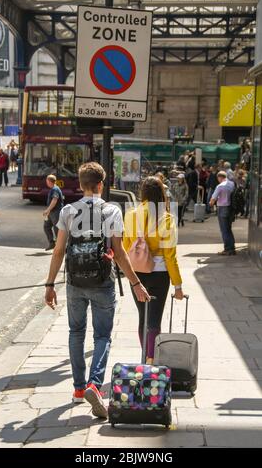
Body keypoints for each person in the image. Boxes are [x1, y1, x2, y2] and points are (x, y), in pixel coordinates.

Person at [44, 162, 150, 419]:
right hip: (103, 282)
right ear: (101, 184)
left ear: (80, 185)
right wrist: (136, 283)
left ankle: (79, 390)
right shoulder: (111, 210)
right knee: (102, 336)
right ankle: (94, 384)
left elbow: (58, 251)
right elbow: (121, 253)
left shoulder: (68, 211)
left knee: (76, 332)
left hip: (75, 283)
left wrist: (49, 284)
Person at [123, 176, 184, 364]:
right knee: (154, 319)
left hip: (137, 273)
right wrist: (178, 285)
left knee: (143, 316)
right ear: (162, 195)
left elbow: (125, 246)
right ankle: (151, 359)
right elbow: (170, 255)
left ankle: (145, 356)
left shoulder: (131, 215)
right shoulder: (166, 218)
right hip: (160, 274)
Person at [209, 171, 236, 255]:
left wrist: (210, 204)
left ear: (219, 177)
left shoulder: (220, 186)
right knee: (228, 229)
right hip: (230, 208)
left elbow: (213, 200)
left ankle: (227, 249)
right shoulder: (232, 183)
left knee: (224, 230)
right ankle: (232, 248)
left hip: (222, 208)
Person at [43, 175, 64, 251]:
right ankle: (52, 243)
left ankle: (60, 247)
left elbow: (54, 200)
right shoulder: (53, 189)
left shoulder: (55, 189)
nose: (46, 182)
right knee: (46, 226)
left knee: (57, 229)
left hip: (56, 212)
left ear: (49, 181)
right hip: (52, 213)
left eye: (47, 181)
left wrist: (47, 210)